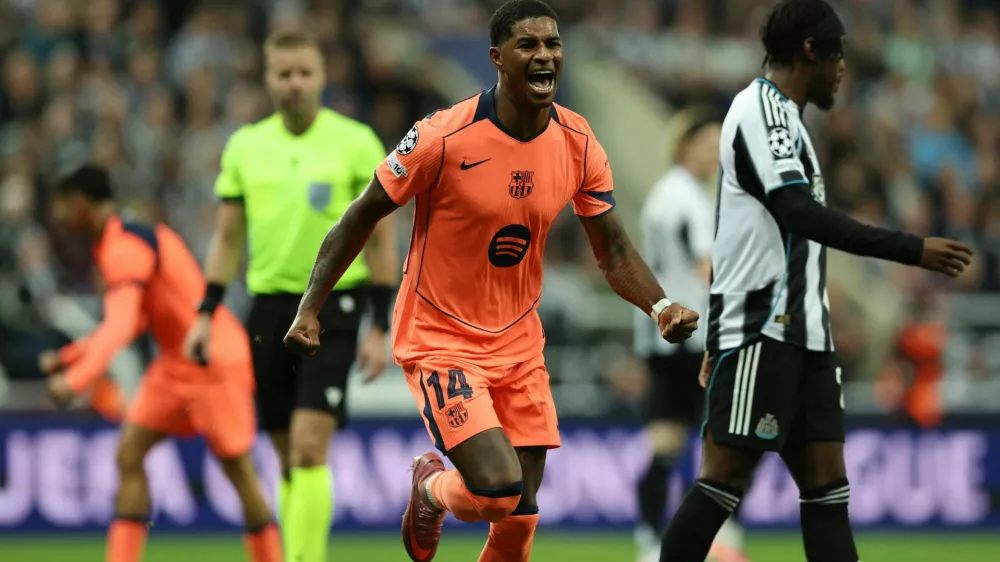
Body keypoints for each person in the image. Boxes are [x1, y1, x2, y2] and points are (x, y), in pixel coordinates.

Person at [282, 2, 700, 561]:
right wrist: (311, 307)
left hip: (519, 343)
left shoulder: (577, 141)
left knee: (520, 515)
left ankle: (442, 494)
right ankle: (431, 489)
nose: (545, 55)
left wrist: (661, 304)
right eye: (528, 45)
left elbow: (614, 248)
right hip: (441, 336)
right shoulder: (441, 136)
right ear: (497, 58)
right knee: (498, 488)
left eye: (552, 44)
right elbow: (359, 215)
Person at [658, 1, 975, 561]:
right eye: (839, 55)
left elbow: (746, 238)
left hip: (806, 339)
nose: (842, 69)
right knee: (723, 480)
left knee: (827, 489)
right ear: (810, 50)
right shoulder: (759, 111)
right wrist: (910, 248)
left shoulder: (790, 122)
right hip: (764, 331)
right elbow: (796, 213)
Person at [182, 29, 397, 562]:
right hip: (268, 309)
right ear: (268, 79)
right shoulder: (246, 147)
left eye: (305, 72)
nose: (295, 83)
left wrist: (380, 322)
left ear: (322, 76)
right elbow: (228, 238)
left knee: (307, 447)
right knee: (283, 455)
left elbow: (382, 237)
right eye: (284, 73)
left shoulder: (355, 142)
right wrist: (206, 311)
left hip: (333, 305)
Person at [40, 165, 281, 562]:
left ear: (81, 202)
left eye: (62, 206)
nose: (58, 216)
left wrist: (76, 379)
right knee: (129, 453)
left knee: (239, 472)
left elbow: (120, 325)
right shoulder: (124, 238)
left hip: (213, 361)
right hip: (175, 362)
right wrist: (70, 356)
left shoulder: (124, 248)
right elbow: (130, 319)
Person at [632, 112, 748, 562]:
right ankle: (724, 540)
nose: (713, 154)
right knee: (724, 443)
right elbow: (708, 270)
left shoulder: (664, 196)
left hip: (662, 338)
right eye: (707, 144)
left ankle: (647, 542)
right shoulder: (690, 200)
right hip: (697, 338)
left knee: (666, 443)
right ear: (684, 147)